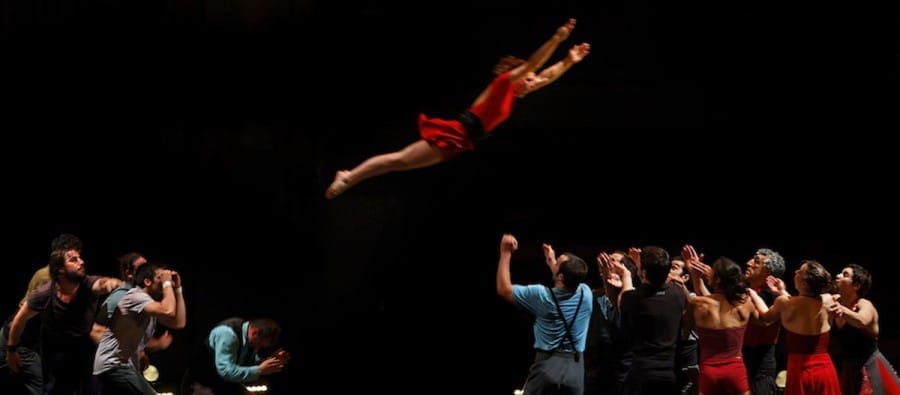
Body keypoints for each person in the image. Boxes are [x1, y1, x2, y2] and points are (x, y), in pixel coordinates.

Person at [325, 18, 591, 199]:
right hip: (455, 132)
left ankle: (352, 178)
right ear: (517, 74)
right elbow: (535, 65)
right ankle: (348, 176)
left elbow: (545, 76)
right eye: (528, 77)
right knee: (398, 159)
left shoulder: (514, 94)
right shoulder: (502, 83)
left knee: (399, 164)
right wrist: (557, 39)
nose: (534, 82)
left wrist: (569, 60)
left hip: (461, 142)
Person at [5, 244, 123, 394]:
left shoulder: (87, 284)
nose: (81, 262)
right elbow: (19, 320)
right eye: (73, 260)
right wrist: (11, 350)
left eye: (80, 258)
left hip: (83, 345)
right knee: (55, 389)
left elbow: (100, 284)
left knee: (94, 389)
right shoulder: (45, 293)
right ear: (60, 270)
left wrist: (110, 283)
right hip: (55, 348)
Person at [496, 234, 592, 395]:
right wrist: (553, 263)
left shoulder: (541, 296)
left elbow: (504, 289)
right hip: (575, 371)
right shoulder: (585, 293)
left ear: (561, 276)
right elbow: (565, 279)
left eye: (558, 262)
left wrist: (505, 252)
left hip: (547, 367)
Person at [1, 233, 84, 395]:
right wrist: (12, 349)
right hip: (19, 338)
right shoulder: (47, 277)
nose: (79, 259)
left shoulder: (67, 279)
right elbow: (22, 316)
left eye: (79, 254)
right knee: (41, 387)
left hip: (30, 340)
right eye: (73, 255)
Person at [748, 260, 841, 395]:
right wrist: (782, 291)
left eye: (800, 271)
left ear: (804, 283)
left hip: (800, 369)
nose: (796, 272)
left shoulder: (784, 303)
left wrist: (754, 295)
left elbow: (766, 316)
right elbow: (804, 302)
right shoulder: (827, 300)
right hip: (824, 369)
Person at [92, 263, 186, 394]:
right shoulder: (136, 296)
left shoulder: (151, 306)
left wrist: (178, 289)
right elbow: (168, 310)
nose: (165, 280)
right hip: (114, 365)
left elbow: (179, 322)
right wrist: (167, 284)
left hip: (123, 366)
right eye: (160, 277)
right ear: (147, 282)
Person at [606, 246, 686, 395]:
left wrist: (626, 274)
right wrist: (641, 265)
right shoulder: (678, 294)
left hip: (643, 374)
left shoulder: (634, 299)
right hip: (670, 373)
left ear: (643, 272)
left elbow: (624, 297)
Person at [686, 255, 756, 395]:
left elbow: (684, 331)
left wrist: (695, 276)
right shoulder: (745, 303)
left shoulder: (698, 304)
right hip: (735, 369)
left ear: (718, 279)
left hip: (709, 370)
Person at [830, 263, 900, 394]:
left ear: (856, 285)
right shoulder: (835, 303)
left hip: (871, 368)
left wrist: (842, 309)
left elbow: (861, 321)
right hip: (849, 370)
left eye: (845, 274)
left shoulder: (864, 304)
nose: (838, 276)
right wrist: (782, 292)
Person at [183, 317, 290, 395]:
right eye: (259, 344)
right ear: (254, 332)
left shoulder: (250, 338)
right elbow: (225, 371)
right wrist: (259, 370)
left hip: (220, 382)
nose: (258, 348)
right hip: (200, 383)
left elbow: (248, 363)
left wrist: (271, 360)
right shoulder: (228, 334)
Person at [584, 250, 637, 395]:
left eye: (613, 260)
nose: (607, 263)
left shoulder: (633, 297)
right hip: (594, 370)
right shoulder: (593, 296)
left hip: (623, 372)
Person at [741, 248, 786, 395]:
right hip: (742, 357)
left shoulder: (772, 296)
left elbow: (764, 321)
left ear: (767, 272)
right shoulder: (747, 291)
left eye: (756, 262)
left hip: (760, 362)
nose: (748, 263)